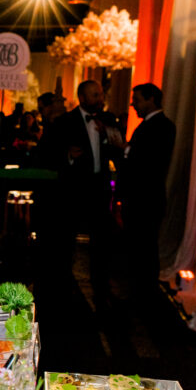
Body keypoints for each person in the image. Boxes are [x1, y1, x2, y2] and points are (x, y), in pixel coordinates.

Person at [51, 80, 120, 306]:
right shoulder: (65, 122)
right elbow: (49, 153)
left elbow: (116, 148)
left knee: (102, 243)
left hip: (100, 191)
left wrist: (110, 135)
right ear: (82, 98)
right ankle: (64, 290)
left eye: (100, 95)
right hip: (74, 192)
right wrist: (68, 155)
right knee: (66, 242)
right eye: (94, 95)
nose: (100, 99)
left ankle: (102, 291)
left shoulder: (108, 120)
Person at [111, 83, 176, 306]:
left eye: (137, 99)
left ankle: (144, 295)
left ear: (151, 99)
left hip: (146, 199)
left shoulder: (163, 126)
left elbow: (148, 162)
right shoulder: (149, 125)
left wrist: (125, 151)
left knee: (144, 247)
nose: (133, 104)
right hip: (140, 198)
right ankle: (140, 293)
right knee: (139, 246)